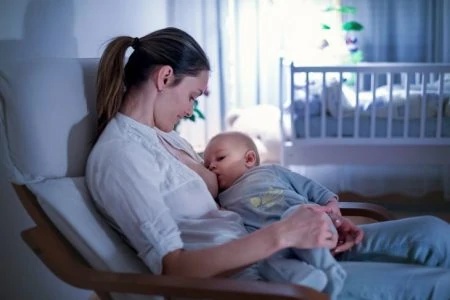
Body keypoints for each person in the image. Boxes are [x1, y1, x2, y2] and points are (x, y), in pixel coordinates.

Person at [86, 27, 450, 300]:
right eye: (193, 95)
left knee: (432, 233)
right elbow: (173, 268)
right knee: (434, 286)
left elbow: (226, 193)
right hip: (257, 279)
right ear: (165, 77)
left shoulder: (166, 137)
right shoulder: (120, 156)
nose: (191, 109)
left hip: (281, 246)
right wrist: (284, 233)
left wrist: (324, 220)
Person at [203, 131, 349, 297]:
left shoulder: (270, 172)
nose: (212, 166)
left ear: (249, 159)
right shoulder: (222, 197)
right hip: (277, 241)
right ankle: (306, 278)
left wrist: (330, 204)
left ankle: (331, 272)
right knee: (264, 261)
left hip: (308, 224)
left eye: (220, 158)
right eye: (207, 165)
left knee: (295, 212)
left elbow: (310, 187)